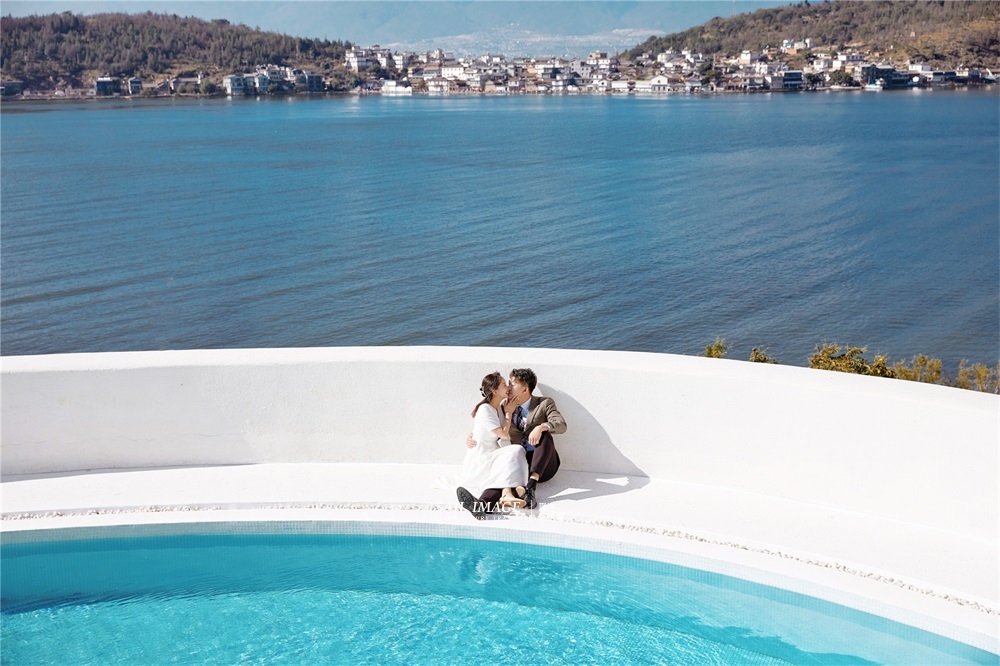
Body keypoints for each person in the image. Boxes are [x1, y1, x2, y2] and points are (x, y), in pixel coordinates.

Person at [464, 367, 567, 511]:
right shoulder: (504, 407)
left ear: (525, 389)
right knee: (505, 473)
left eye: (512, 384)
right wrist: (473, 436)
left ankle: (531, 486)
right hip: (520, 462)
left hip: (544, 464)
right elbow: (488, 426)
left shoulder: (544, 403)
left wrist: (542, 427)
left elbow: (561, 424)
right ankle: (482, 504)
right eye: (508, 383)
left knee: (545, 435)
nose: (509, 387)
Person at [456, 372, 529, 520]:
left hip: (492, 454)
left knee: (511, 459)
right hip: (481, 458)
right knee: (517, 450)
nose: (508, 387)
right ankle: (510, 492)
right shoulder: (485, 409)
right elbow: (503, 434)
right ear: (495, 391)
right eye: (504, 385)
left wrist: (506, 412)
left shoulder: (499, 409)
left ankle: (491, 501)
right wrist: (509, 413)